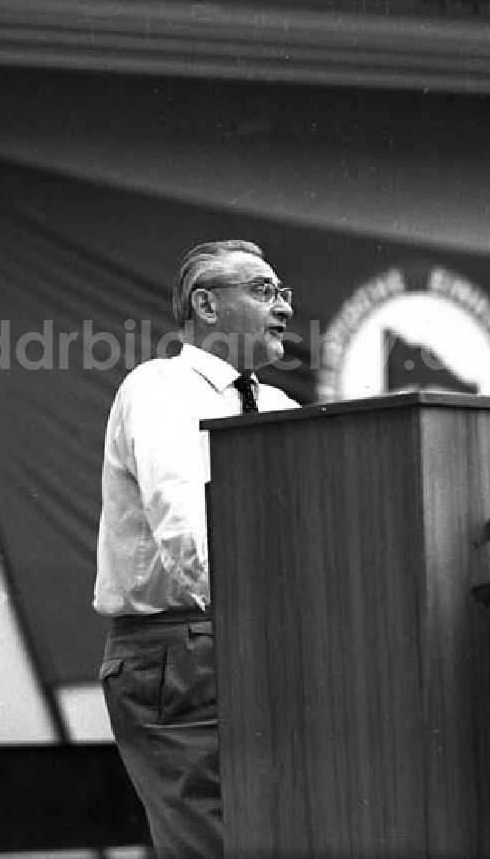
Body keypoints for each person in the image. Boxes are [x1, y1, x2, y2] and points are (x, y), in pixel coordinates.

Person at [94, 239, 299, 858]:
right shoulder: (159, 388)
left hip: (269, 648)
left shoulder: (284, 409)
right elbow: (190, 536)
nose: (285, 308)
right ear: (206, 305)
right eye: (264, 290)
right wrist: (259, 618)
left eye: (283, 293)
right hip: (180, 653)